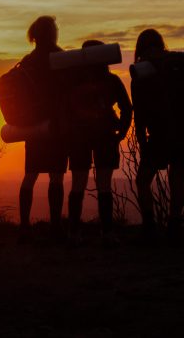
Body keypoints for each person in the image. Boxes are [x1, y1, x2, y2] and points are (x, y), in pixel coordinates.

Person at [131, 29, 184, 242]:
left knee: (143, 179)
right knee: (177, 177)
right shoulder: (181, 66)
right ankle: (174, 224)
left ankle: (149, 226)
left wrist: (141, 140)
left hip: (159, 133)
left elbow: (140, 112)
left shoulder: (142, 72)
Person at [64, 40, 132, 246]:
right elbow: (127, 107)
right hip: (105, 135)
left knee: (78, 184)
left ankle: (74, 233)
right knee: (104, 185)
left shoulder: (74, 81)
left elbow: (66, 109)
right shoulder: (111, 80)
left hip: (79, 137)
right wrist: (122, 131)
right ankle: (107, 232)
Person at [18, 16, 68, 242]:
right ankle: (56, 226)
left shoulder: (27, 61)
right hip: (57, 124)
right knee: (56, 176)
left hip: (33, 126)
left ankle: (25, 226)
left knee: (30, 175)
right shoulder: (61, 57)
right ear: (52, 33)